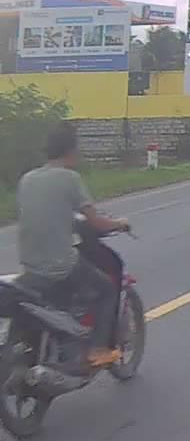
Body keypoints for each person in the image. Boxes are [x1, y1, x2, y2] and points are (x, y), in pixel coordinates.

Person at [16, 122, 129, 369]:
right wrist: (120, 223)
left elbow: (43, 216)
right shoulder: (70, 178)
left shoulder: (28, 178)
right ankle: (98, 349)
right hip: (59, 265)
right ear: (71, 150)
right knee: (107, 289)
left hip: (30, 265)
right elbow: (97, 223)